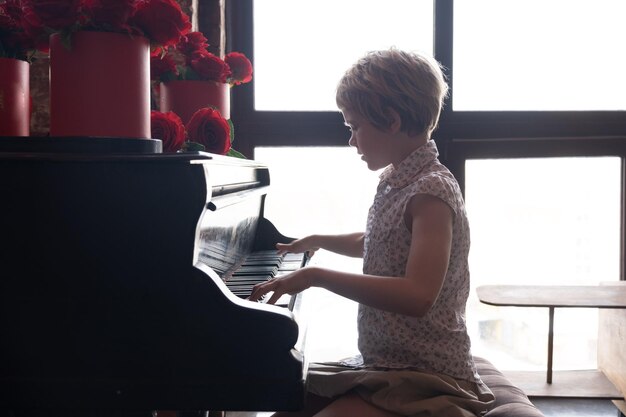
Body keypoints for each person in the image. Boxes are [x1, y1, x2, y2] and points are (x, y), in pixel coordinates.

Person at [248, 48, 495, 417]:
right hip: (386, 363)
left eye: (354, 127)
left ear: (391, 121)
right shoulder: (398, 179)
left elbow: (418, 295)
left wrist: (316, 276)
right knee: (283, 401)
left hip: (425, 377)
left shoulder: (431, 192)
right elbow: (379, 243)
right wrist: (318, 241)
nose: (351, 140)